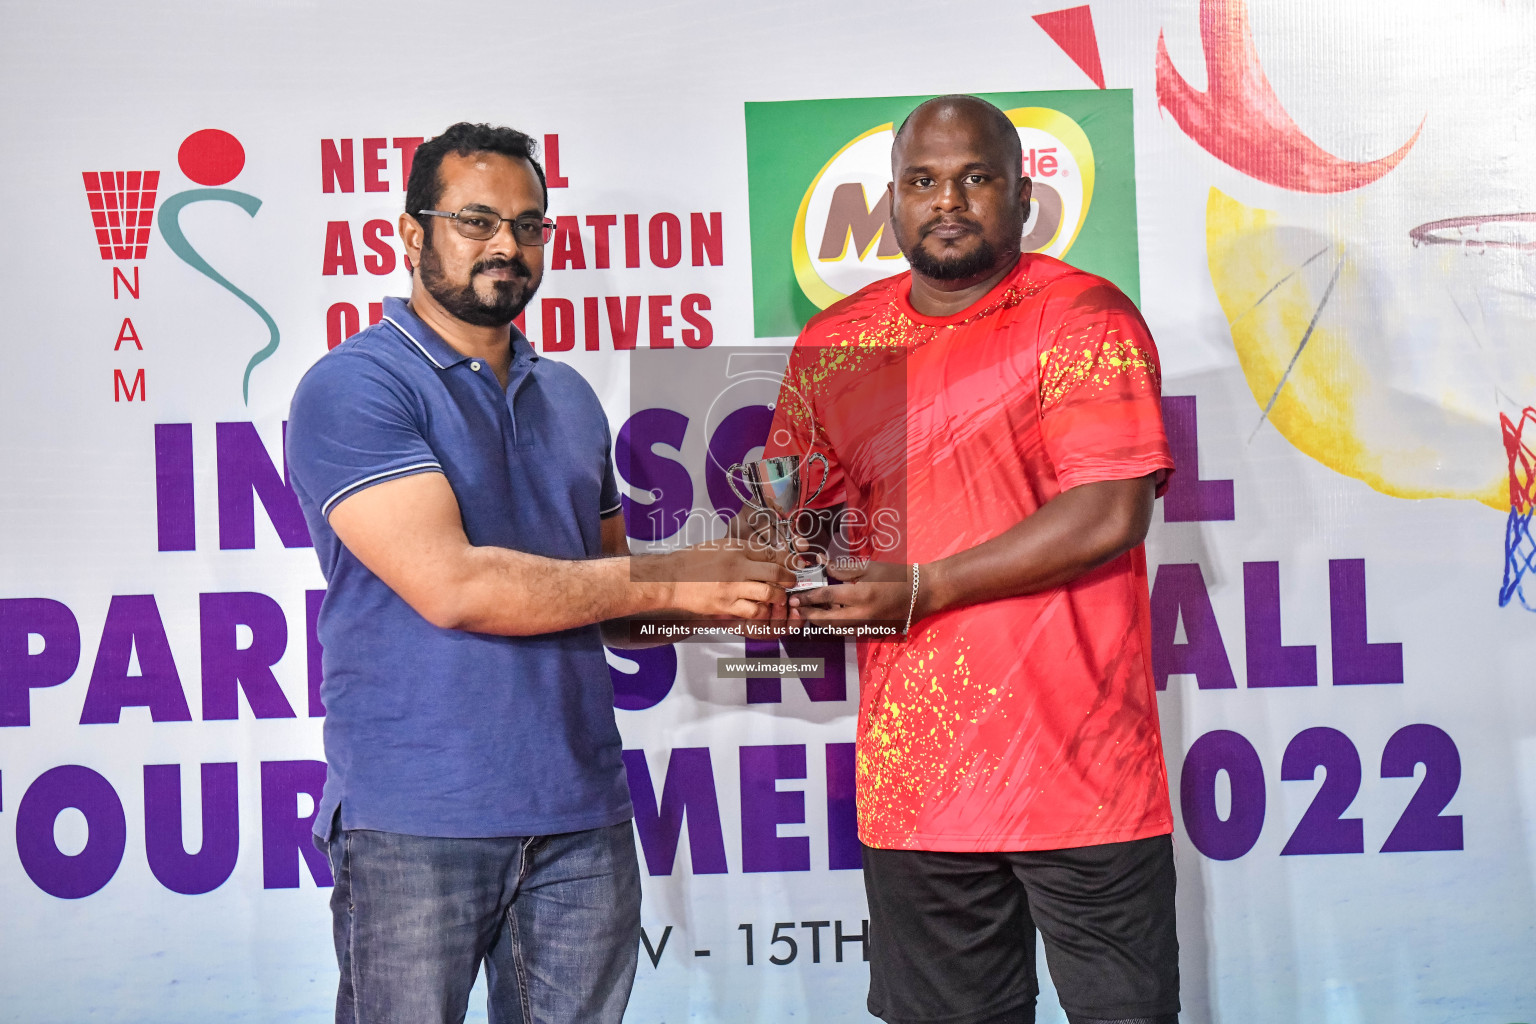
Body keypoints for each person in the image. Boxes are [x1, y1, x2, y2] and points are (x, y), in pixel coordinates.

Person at [285, 122, 790, 1024]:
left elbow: (614, 596)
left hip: (580, 814)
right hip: (417, 818)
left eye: (528, 225)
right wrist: (680, 575)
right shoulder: (354, 387)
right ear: (410, 231)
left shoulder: (566, 396)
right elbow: (459, 588)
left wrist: (747, 578)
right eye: (475, 221)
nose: (504, 246)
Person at [772, 96, 1181, 1024]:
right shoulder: (835, 343)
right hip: (919, 787)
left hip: (1080, 775)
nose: (947, 200)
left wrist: (926, 586)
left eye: (975, 178)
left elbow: (1111, 509)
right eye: (922, 181)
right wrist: (781, 535)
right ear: (890, 204)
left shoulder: (1081, 315)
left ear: (1022, 196)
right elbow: (814, 531)